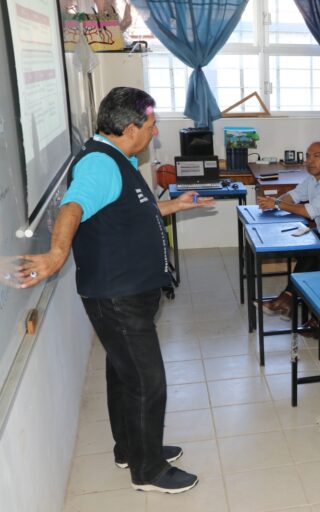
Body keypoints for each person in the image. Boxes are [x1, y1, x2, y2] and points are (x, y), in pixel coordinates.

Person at [17, 87, 207, 493]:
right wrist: (54, 256)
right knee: (147, 381)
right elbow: (73, 206)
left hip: (124, 294)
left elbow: (129, 209)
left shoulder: (114, 158)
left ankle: (131, 449)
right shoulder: (101, 165)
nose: (154, 134)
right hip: (117, 298)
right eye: (152, 126)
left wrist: (175, 206)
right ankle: (149, 471)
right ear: (131, 128)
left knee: (125, 375)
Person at [257, 142, 320, 319]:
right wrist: (272, 204)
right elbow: (294, 195)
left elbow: (309, 212)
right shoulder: (313, 178)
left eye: (316, 156)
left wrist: (278, 204)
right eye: (308, 156)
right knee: (307, 247)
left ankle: (289, 300)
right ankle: (289, 300)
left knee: (311, 250)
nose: (310, 161)